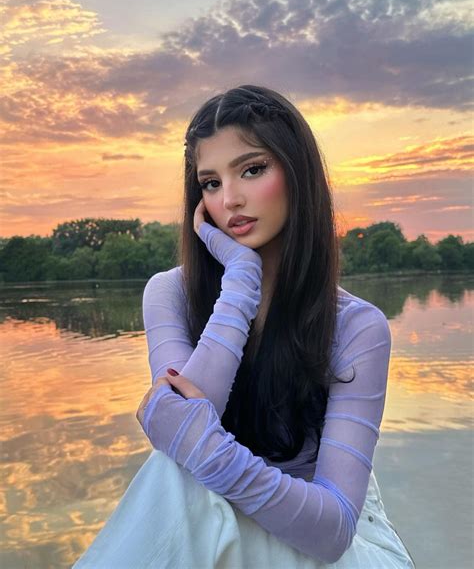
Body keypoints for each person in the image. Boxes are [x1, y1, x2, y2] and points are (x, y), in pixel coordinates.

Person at [72, 84, 416, 568]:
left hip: (328, 547)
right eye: (210, 183)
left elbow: (334, 529)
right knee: (178, 475)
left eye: (252, 170)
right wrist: (240, 281)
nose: (229, 199)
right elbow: (183, 420)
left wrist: (212, 456)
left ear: (297, 174)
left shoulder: (358, 327)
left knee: (185, 476)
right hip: (219, 528)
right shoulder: (169, 291)